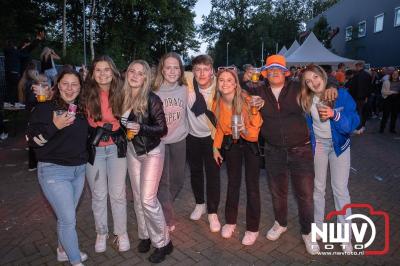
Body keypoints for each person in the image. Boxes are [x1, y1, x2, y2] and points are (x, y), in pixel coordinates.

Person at [252, 54, 337, 255]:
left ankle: (308, 232)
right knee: (277, 192)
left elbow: (319, 81)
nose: (274, 72)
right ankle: (280, 223)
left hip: (301, 149)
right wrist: (250, 100)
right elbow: (239, 91)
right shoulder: (258, 90)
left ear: (285, 72)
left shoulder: (298, 86)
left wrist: (333, 85)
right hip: (273, 151)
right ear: (265, 73)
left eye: (277, 69)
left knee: (305, 195)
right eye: (270, 69)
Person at [27, 69, 88, 265]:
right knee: (69, 220)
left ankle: (63, 250)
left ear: (80, 87)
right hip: (54, 171)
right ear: (57, 85)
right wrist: (55, 126)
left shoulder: (81, 108)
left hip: (79, 170)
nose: (70, 89)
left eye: (75, 84)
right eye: (65, 84)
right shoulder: (45, 108)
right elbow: (33, 142)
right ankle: (75, 260)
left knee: (65, 217)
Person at [299, 64, 359, 253]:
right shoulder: (306, 99)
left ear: (323, 76)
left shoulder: (339, 95)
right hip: (320, 147)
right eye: (308, 81)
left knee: (340, 190)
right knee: (318, 188)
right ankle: (318, 226)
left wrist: (335, 114)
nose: (313, 83)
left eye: (315, 77)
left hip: (339, 146)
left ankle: (346, 235)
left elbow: (352, 123)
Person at [121, 60, 173, 263]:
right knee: (137, 196)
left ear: (146, 78)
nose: (134, 75)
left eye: (140, 73)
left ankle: (163, 243)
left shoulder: (152, 99)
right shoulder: (122, 97)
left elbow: (162, 129)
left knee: (148, 200)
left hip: (152, 151)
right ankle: (145, 235)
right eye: (131, 71)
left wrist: (141, 128)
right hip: (133, 151)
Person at [83, 55, 130, 253]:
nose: (103, 74)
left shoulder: (122, 91)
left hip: (116, 148)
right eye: (98, 70)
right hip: (94, 149)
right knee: (98, 195)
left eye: (107, 69)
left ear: (113, 71)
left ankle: (121, 233)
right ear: (93, 74)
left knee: (118, 194)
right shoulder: (85, 93)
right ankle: (101, 232)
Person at [212, 67, 262, 246]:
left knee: (252, 187)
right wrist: (216, 148)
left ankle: (252, 228)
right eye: (221, 80)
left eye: (229, 80)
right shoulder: (216, 102)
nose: (225, 83)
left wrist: (245, 131)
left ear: (235, 84)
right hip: (231, 144)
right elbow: (218, 128)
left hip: (250, 143)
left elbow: (255, 133)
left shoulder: (248, 101)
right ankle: (230, 221)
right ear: (217, 83)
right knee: (233, 183)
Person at [185, 54, 221, 232]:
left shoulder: (220, 88)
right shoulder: (188, 84)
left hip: (213, 138)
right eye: (197, 69)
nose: (201, 73)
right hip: (191, 137)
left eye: (206, 69)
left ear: (212, 71)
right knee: (196, 172)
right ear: (193, 72)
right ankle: (200, 204)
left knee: (213, 175)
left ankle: (213, 212)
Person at [153, 52, 188, 232]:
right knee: (162, 182)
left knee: (178, 180)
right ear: (162, 69)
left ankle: (163, 205)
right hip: (159, 142)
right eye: (168, 67)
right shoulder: (154, 90)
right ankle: (167, 217)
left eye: (176, 67)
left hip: (179, 140)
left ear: (181, 70)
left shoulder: (185, 88)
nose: (172, 71)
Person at [348, 61, 372, 134]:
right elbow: (369, 87)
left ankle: (359, 127)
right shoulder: (367, 75)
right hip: (364, 97)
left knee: (358, 113)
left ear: (358, 66)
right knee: (362, 112)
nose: (356, 68)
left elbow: (352, 87)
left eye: (356, 66)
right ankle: (362, 126)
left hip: (356, 97)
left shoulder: (356, 75)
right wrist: (367, 97)